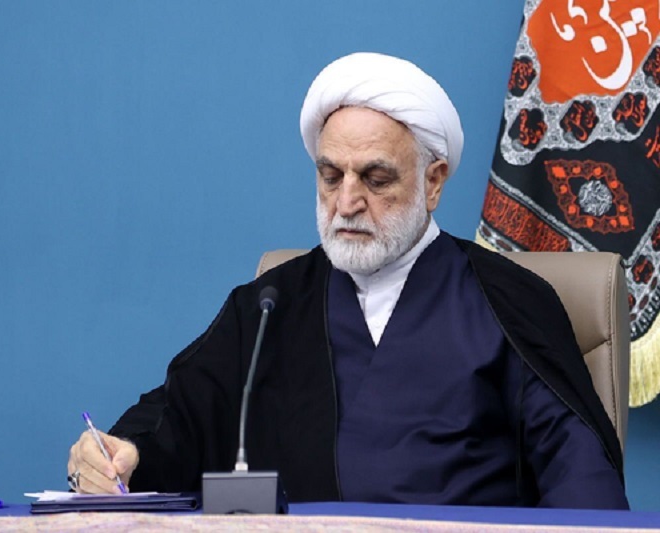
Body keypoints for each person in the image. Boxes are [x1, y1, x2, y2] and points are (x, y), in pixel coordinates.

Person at [67, 52, 629, 509]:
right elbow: (178, 419)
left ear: (433, 182)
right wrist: (120, 454)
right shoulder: (270, 304)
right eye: (331, 176)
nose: (347, 201)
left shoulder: (507, 300)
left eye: (375, 178)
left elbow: (577, 474)